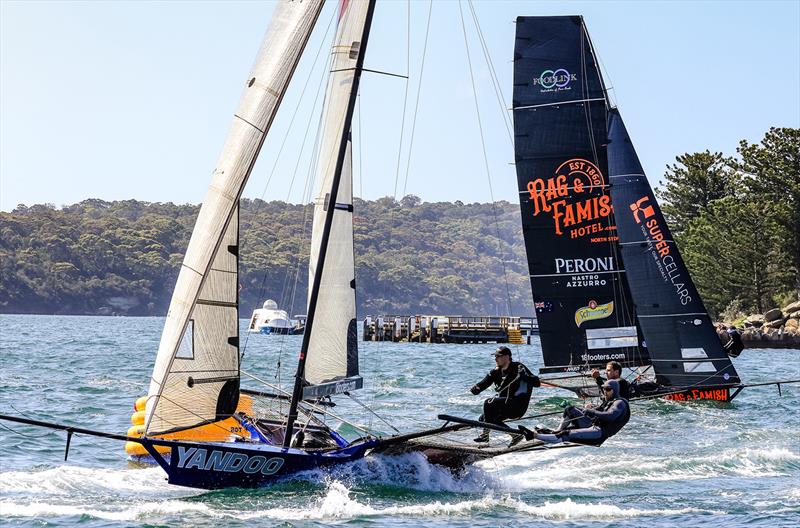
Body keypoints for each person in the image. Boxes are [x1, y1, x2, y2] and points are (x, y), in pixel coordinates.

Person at [470, 346, 540, 445]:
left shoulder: (518, 367)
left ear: (507, 357)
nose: (495, 358)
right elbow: (483, 384)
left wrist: (525, 376)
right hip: (505, 406)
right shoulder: (495, 372)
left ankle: (485, 436)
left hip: (518, 406)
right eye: (495, 356)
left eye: (498, 356)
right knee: (484, 419)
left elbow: (537, 383)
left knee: (488, 403)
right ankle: (515, 435)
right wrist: (476, 389)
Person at [535, 379, 630, 446]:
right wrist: (589, 409)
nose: (605, 391)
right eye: (604, 389)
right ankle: (557, 430)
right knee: (570, 409)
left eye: (608, 389)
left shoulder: (620, 403)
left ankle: (535, 436)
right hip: (592, 425)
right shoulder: (609, 401)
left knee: (565, 434)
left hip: (599, 433)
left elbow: (610, 416)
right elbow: (601, 411)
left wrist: (592, 411)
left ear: (615, 390)